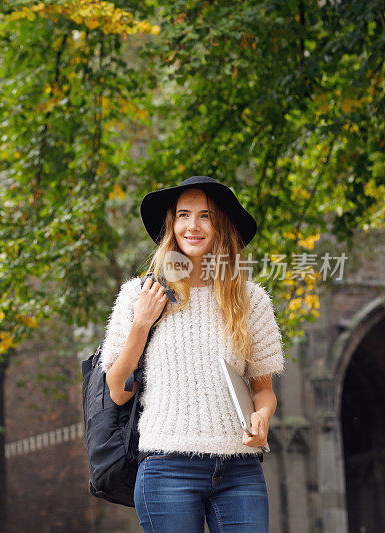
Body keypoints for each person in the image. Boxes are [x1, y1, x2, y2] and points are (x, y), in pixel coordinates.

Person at [100, 176, 284, 532]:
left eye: (206, 216)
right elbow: (118, 390)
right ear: (172, 225)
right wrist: (141, 323)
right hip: (166, 470)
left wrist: (262, 417)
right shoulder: (138, 295)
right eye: (184, 215)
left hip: (240, 470)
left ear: (222, 228)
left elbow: (263, 390)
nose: (193, 226)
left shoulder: (251, 300)